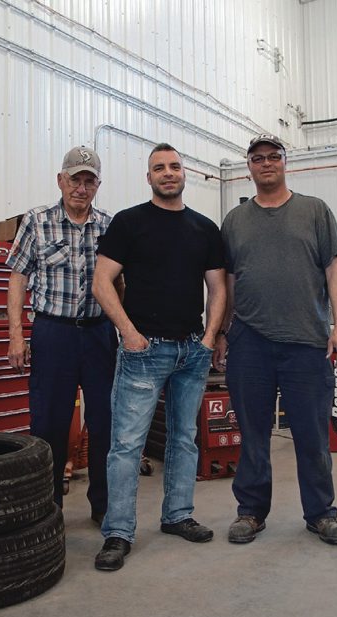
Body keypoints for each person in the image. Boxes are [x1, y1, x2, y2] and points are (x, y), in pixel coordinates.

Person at [213, 133, 337, 546]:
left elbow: (336, 270)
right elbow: (228, 283)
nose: (266, 163)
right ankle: (251, 512)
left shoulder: (315, 211)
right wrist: (223, 331)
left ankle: (321, 514)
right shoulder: (235, 221)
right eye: (258, 158)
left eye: (274, 156)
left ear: (284, 162)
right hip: (249, 344)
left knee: (311, 435)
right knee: (253, 435)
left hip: (306, 344)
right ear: (249, 166)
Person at [91, 143, 227, 571]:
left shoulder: (205, 228)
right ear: (148, 178)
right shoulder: (129, 223)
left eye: (174, 166)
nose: (168, 173)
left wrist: (208, 339)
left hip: (191, 350)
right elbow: (101, 282)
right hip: (143, 351)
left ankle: (178, 515)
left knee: (184, 439)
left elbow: (219, 289)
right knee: (127, 446)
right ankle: (118, 531)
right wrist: (129, 334)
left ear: (184, 174)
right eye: (159, 168)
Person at [6, 145, 119, 524]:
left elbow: (121, 285)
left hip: (99, 334)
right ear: (61, 180)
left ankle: (102, 507)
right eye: (75, 179)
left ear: (97, 185)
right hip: (53, 333)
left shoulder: (108, 225)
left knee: (104, 422)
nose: (81, 188)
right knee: (49, 424)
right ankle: (49, 507)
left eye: (89, 181)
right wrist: (16, 335)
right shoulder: (38, 220)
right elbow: (18, 277)